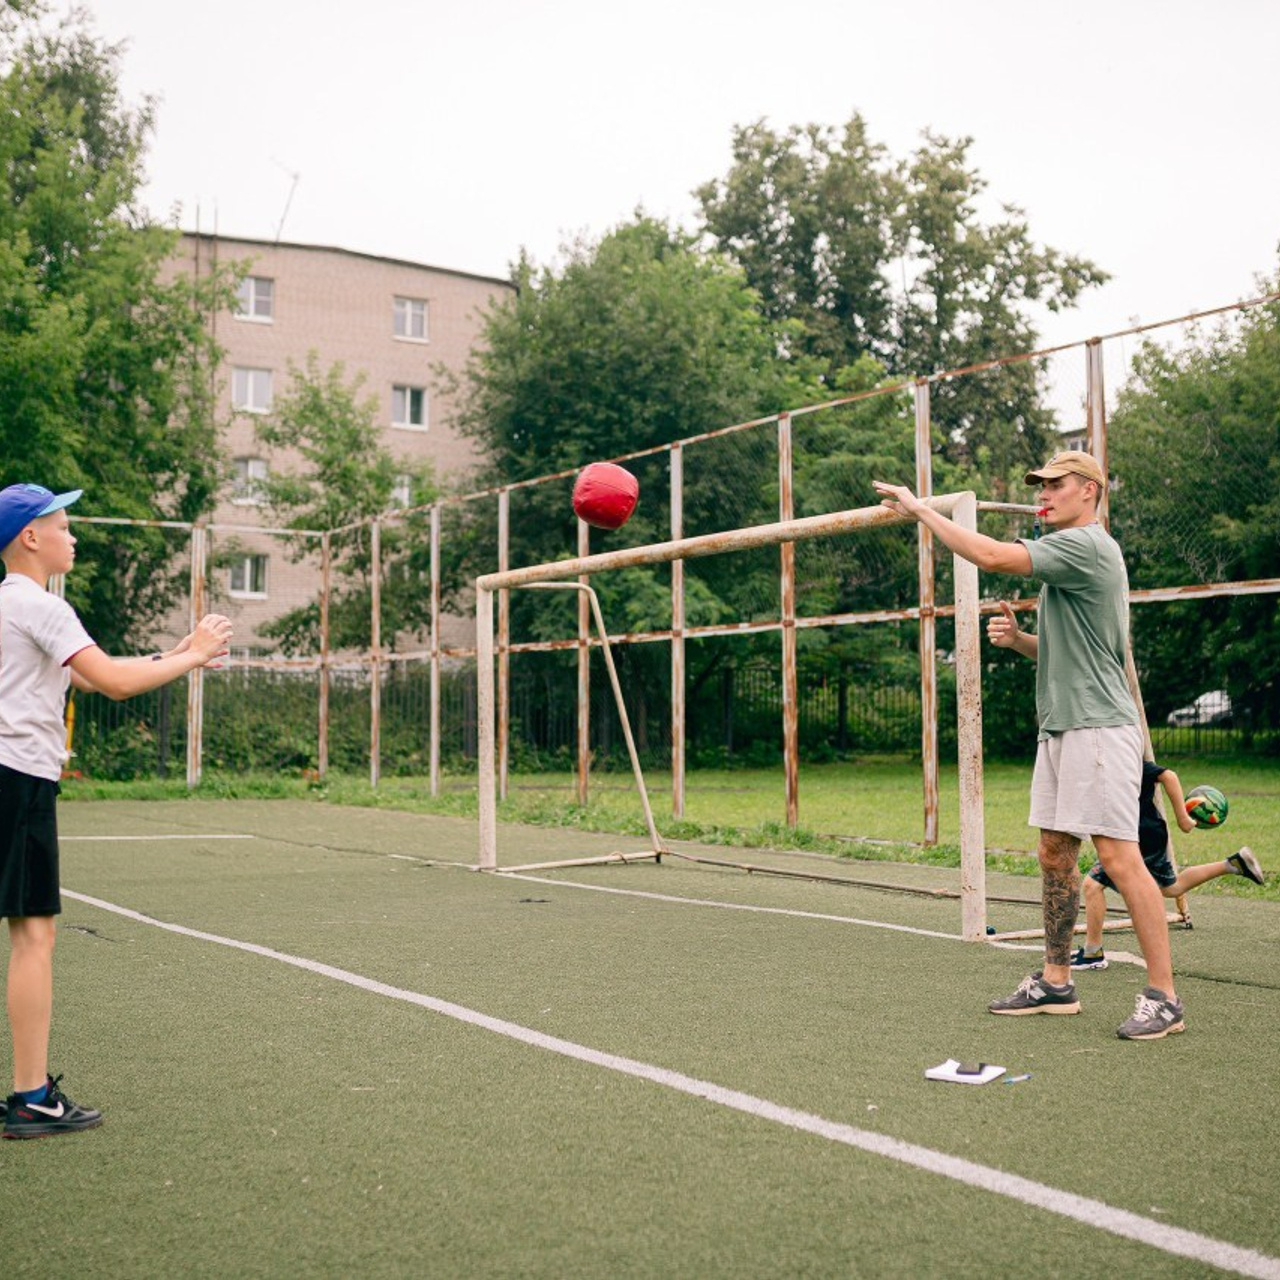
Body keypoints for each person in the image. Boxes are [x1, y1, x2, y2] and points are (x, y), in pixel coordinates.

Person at [874, 451, 1187, 1040]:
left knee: (1120, 859)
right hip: (1065, 727)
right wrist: (1021, 640)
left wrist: (919, 510)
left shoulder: (1087, 545)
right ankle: (1055, 982)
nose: (1044, 495)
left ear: (1089, 492)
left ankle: (1164, 996)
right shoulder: (1072, 558)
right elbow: (1076, 652)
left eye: (1056, 485)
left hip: (1097, 728)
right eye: (1040, 486)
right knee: (1054, 853)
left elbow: (990, 555)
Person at [0, 483, 233, 1138]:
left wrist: (178, 651)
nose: (73, 537)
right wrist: (192, 656)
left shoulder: (10, 606)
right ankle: (30, 1098)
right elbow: (115, 682)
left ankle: (28, 1094)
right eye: (64, 526)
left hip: (9, 776)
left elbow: (89, 671)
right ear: (30, 538)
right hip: (18, 781)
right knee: (33, 935)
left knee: (27, 932)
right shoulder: (41, 606)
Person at [1071, 758, 1263, 969]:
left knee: (1093, 885)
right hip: (1141, 833)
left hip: (1138, 835)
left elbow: (1168, 776)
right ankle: (1233, 864)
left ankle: (1093, 953)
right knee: (1171, 887)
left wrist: (1182, 817)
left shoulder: (1121, 755)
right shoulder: (1103, 759)